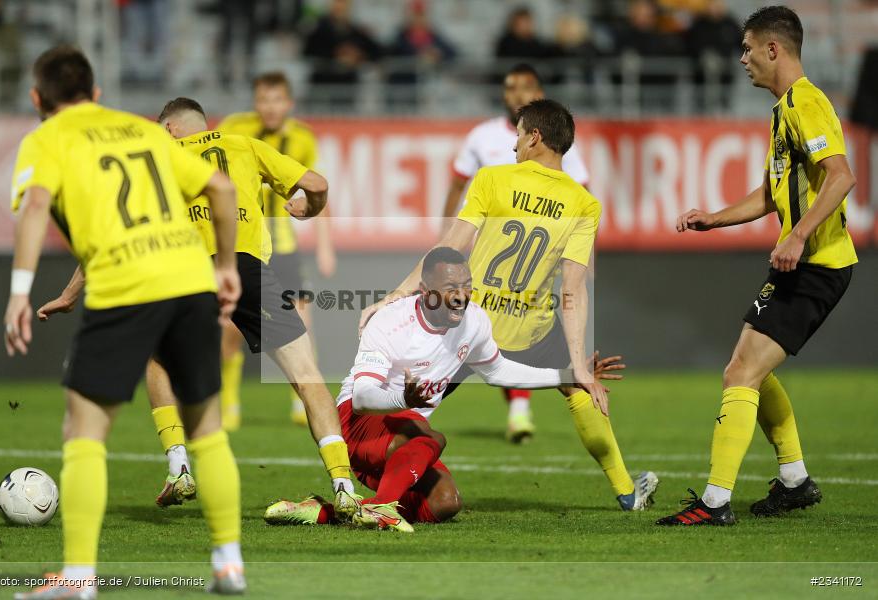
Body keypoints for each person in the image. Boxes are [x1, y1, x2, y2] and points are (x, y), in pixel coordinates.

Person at [38, 97, 361, 522]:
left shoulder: (158, 157)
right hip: (247, 269)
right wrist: (308, 209)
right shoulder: (244, 144)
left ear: (169, 129)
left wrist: (69, 294)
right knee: (307, 374)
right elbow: (316, 184)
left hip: (186, 273)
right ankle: (344, 487)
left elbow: (112, 233)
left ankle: (179, 467)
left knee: (159, 360)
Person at [5, 46, 245, 596]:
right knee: (207, 429)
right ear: (96, 93)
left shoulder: (47, 138)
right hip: (189, 279)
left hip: (124, 285)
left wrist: (19, 291)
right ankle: (229, 564)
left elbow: (36, 204)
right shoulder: (143, 131)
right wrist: (228, 267)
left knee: (83, 432)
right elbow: (222, 187)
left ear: (36, 98)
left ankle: (78, 579)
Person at [364, 99, 658, 512]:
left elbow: (450, 247)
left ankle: (359, 484)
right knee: (577, 389)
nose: (514, 144)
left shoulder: (493, 179)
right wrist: (577, 363)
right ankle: (627, 492)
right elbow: (573, 289)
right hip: (531, 332)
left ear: (535, 137)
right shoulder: (584, 204)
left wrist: (396, 295)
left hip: (468, 325)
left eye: (518, 135)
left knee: (400, 399)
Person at [657, 6, 857, 527]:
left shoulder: (806, 102)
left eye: (748, 49)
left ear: (774, 49)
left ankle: (714, 503)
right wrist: (715, 218)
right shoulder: (783, 110)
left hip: (817, 263)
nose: (742, 59)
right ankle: (794, 480)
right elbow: (772, 193)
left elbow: (841, 176)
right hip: (802, 263)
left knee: (741, 373)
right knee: (748, 371)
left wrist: (798, 234)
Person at [265, 247, 627, 531]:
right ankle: (381, 507)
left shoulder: (474, 322)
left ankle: (326, 511)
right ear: (425, 292)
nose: (461, 295)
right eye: (451, 288)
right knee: (431, 437)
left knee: (445, 502)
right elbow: (361, 398)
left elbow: (498, 370)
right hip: (357, 426)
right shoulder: (391, 322)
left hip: (404, 442)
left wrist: (569, 376)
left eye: (466, 285)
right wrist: (402, 398)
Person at [442, 63, 590, 444]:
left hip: (532, 255)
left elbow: (579, 196)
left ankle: (518, 409)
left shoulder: (556, 146)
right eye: (510, 87)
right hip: (484, 247)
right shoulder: (481, 136)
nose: (516, 94)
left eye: (524, 87)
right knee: (501, 335)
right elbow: (457, 185)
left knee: (511, 330)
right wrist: (447, 235)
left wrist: (582, 256)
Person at [218, 72, 336, 429]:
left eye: (277, 100)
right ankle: (229, 402)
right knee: (230, 327)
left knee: (301, 321)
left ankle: (301, 401)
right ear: (255, 102)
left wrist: (325, 247)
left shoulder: (301, 137)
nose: (270, 107)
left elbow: (317, 189)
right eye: (263, 100)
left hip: (283, 245)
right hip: (245, 242)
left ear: (289, 103)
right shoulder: (235, 129)